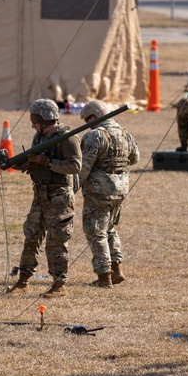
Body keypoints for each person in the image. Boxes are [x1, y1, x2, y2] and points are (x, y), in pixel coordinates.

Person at [8, 99, 81, 298]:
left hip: (59, 197)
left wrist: (47, 162)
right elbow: (35, 161)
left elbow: (75, 166)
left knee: (56, 241)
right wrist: (24, 164)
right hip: (40, 195)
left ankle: (59, 285)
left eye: (35, 121)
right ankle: (23, 280)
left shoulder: (68, 139)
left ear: (44, 119)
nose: (32, 125)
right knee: (31, 236)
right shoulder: (38, 138)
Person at [77, 99, 139, 288]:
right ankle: (117, 269)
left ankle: (104, 277)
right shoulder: (124, 132)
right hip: (120, 188)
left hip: (99, 191)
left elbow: (84, 168)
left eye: (87, 120)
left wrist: (71, 190)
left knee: (95, 231)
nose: (86, 125)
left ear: (94, 117)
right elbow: (135, 158)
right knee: (110, 228)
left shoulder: (95, 136)